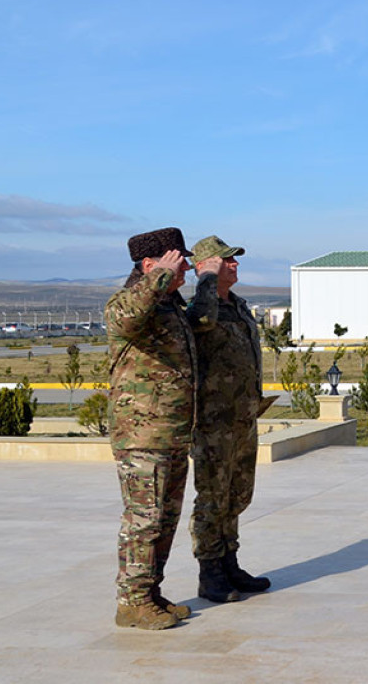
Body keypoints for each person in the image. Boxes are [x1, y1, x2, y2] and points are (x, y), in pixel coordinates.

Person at [106, 227, 221, 630]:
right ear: (150, 265)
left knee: (165, 519)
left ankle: (150, 592)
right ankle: (131, 601)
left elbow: (203, 320)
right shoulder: (128, 303)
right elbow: (125, 317)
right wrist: (158, 277)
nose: (185, 268)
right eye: (178, 262)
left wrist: (208, 279)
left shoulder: (169, 307)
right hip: (142, 435)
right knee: (144, 519)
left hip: (172, 433)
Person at [188, 235, 272, 603]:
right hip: (213, 422)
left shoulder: (238, 307)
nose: (234, 265)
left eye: (235, 260)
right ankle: (210, 574)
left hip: (243, 419)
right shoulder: (200, 308)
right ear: (205, 265)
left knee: (237, 495)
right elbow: (201, 320)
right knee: (212, 497)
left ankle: (229, 562)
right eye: (226, 261)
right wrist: (205, 279)